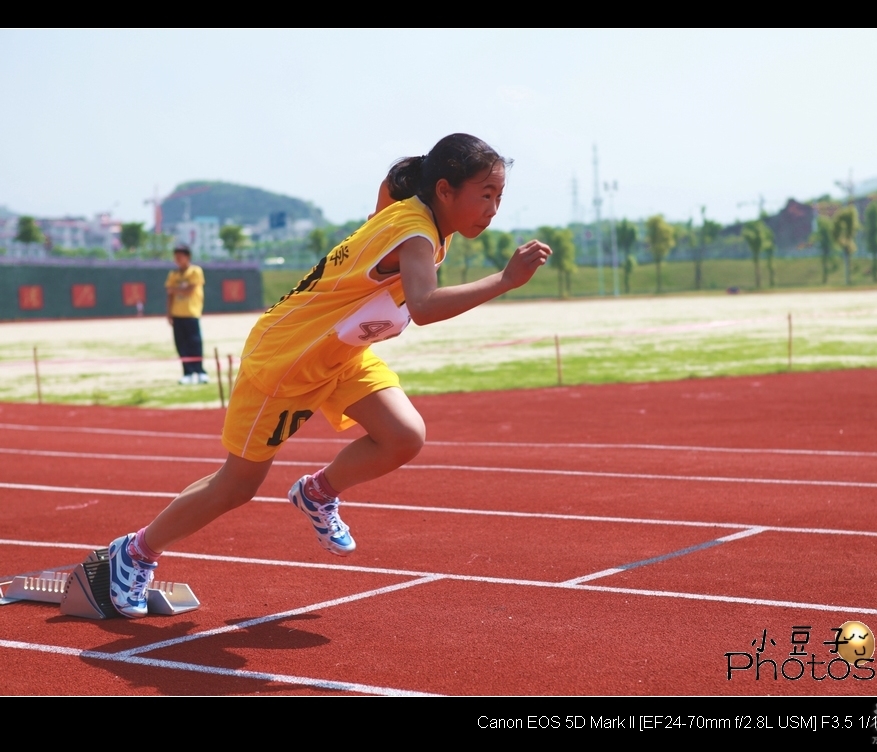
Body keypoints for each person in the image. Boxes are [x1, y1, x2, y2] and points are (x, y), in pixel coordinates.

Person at [108, 133, 552, 617]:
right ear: (444, 190)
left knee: (403, 435)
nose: (493, 209)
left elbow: (388, 190)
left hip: (341, 352)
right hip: (289, 358)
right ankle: (133, 553)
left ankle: (317, 492)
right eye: (485, 195)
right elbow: (423, 306)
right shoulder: (416, 234)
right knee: (236, 486)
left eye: (500, 197)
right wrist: (506, 281)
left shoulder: (419, 214)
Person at [166, 245, 210, 384]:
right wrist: (169, 313)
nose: (177, 260)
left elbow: (190, 290)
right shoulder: (173, 274)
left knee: (195, 343)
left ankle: (200, 371)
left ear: (188, 257)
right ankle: (188, 373)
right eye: (176, 257)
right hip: (177, 314)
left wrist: (175, 289)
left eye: (180, 256)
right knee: (181, 345)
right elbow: (169, 294)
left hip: (191, 313)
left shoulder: (195, 271)